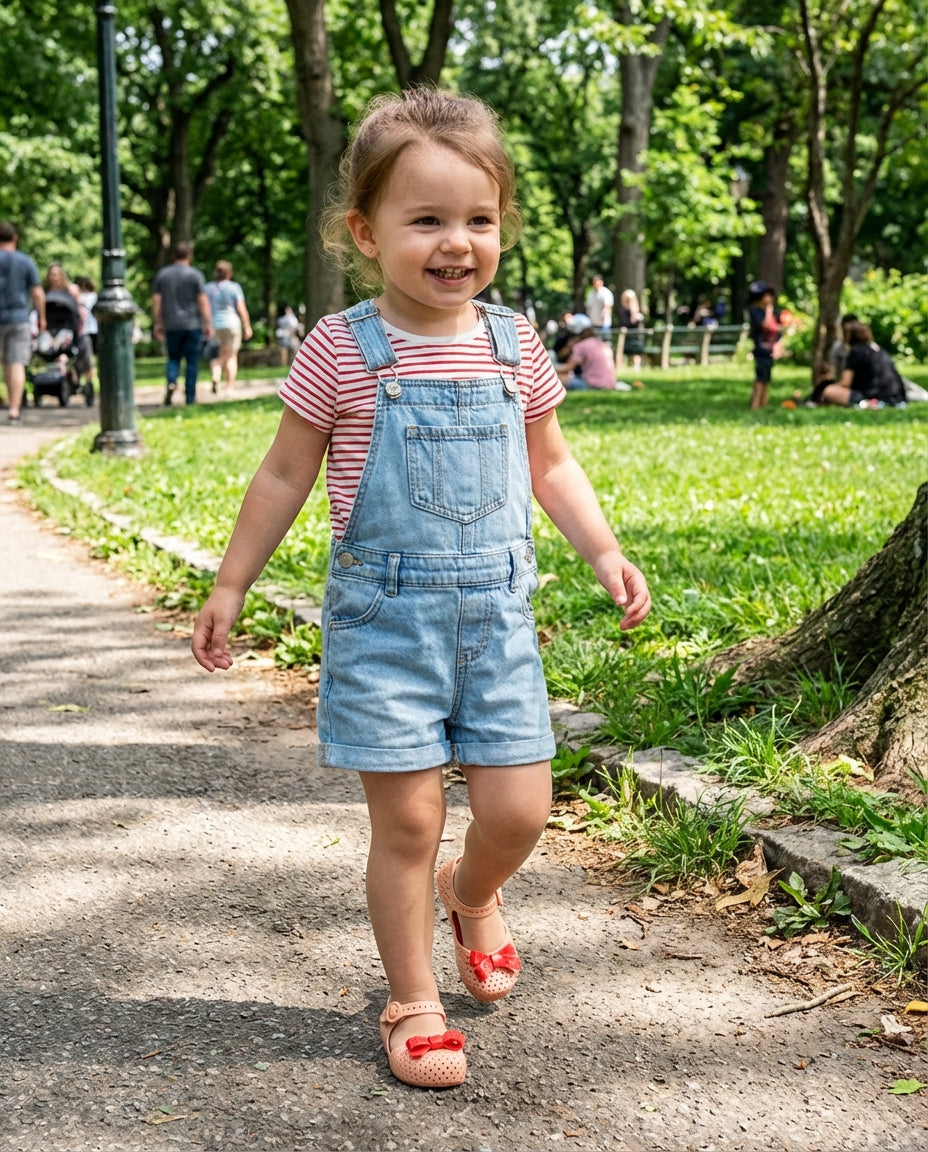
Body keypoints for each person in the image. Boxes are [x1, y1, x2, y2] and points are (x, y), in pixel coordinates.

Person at [190, 88, 651, 1091]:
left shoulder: (513, 344)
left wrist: (603, 549)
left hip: (497, 622)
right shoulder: (340, 348)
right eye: (426, 220)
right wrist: (231, 584)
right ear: (364, 231)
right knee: (404, 822)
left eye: (478, 221)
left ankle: (471, 892)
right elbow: (281, 474)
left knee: (520, 811)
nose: (457, 243)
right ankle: (413, 999)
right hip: (384, 624)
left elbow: (552, 464)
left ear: (502, 227)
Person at [151, 241, 213, 406]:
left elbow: (157, 301)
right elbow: (202, 301)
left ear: (173, 255)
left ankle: (172, 381)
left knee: (173, 358)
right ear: (189, 256)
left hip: (171, 325)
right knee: (192, 360)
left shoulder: (163, 275)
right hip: (192, 324)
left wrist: (158, 322)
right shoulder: (195, 275)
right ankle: (190, 397)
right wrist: (208, 323)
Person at [0, 221, 45, 422]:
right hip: (19, 318)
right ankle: (14, 411)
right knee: (16, 363)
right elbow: (37, 292)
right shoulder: (25, 261)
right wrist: (42, 317)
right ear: (15, 238)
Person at [816, 322, 907, 408]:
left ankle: (867, 403)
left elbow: (845, 383)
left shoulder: (855, 351)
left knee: (829, 391)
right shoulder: (880, 351)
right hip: (897, 397)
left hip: (872, 395)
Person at [43, 263, 94, 393]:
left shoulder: (71, 290)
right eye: (52, 274)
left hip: (68, 328)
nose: (54, 277)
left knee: (78, 347)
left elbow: (76, 313)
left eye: (56, 274)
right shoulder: (44, 292)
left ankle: (78, 376)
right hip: (50, 329)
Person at [204, 260, 253, 395]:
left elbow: (204, 309)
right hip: (231, 324)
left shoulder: (207, 288)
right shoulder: (234, 287)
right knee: (231, 356)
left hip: (214, 326)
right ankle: (228, 385)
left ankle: (217, 369)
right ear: (229, 273)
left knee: (222, 352)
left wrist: (206, 325)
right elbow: (241, 308)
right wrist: (247, 326)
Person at [747, 280, 784, 409]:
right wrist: (769, 310)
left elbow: (777, 331)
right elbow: (765, 325)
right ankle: (755, 405)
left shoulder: (771, 312)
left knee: (766, 379)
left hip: (769, 350)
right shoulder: (755, 311)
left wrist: (779, 345)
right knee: (760, 378)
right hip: (761, 350)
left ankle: (763, 404)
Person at [557, 313, 618, 390]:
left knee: (558, 379)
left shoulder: (580, 346)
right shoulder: (601, 343)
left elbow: (567, 369)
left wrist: (551, 371)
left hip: (592, 385)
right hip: (610, 384)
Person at [616, 288, 645, 371]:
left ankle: (636, 365)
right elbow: (624, 322)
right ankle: (621, 365)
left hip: (635, 333)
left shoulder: (636, 309)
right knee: (623, 349)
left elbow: (634, 321)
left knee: (635, 350)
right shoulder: (622, 310)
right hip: (625, 333)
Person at [584, 274, 614, 338]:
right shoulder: (591, 294)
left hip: (604, 323)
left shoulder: (606, 293)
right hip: (593, 323)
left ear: (601, 282)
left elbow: (607, 307)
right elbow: (588, 307)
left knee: (605, 341)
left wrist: (603, 318)